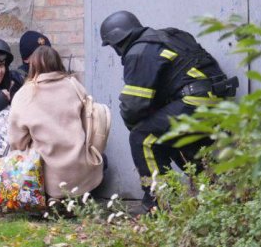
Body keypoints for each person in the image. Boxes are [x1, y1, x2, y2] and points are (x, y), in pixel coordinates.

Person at [99, 11, 239, 211]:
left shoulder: (139, 52)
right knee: (166, 135)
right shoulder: (171, 35)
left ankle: (160, 204)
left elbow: (133, 107)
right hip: (217, 102)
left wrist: (137, 123)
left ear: (117, 41)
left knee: (142, 137)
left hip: (194, 102)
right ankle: (215, 199)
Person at [7, 46, 104, 200]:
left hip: (46, 178)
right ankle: (74, 198)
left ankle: (48, 199)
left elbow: (16, 142)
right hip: (80, 168)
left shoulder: (25, 93)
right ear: (58, 63)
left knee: (17, 153)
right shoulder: (74, 85)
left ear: (33, 66)